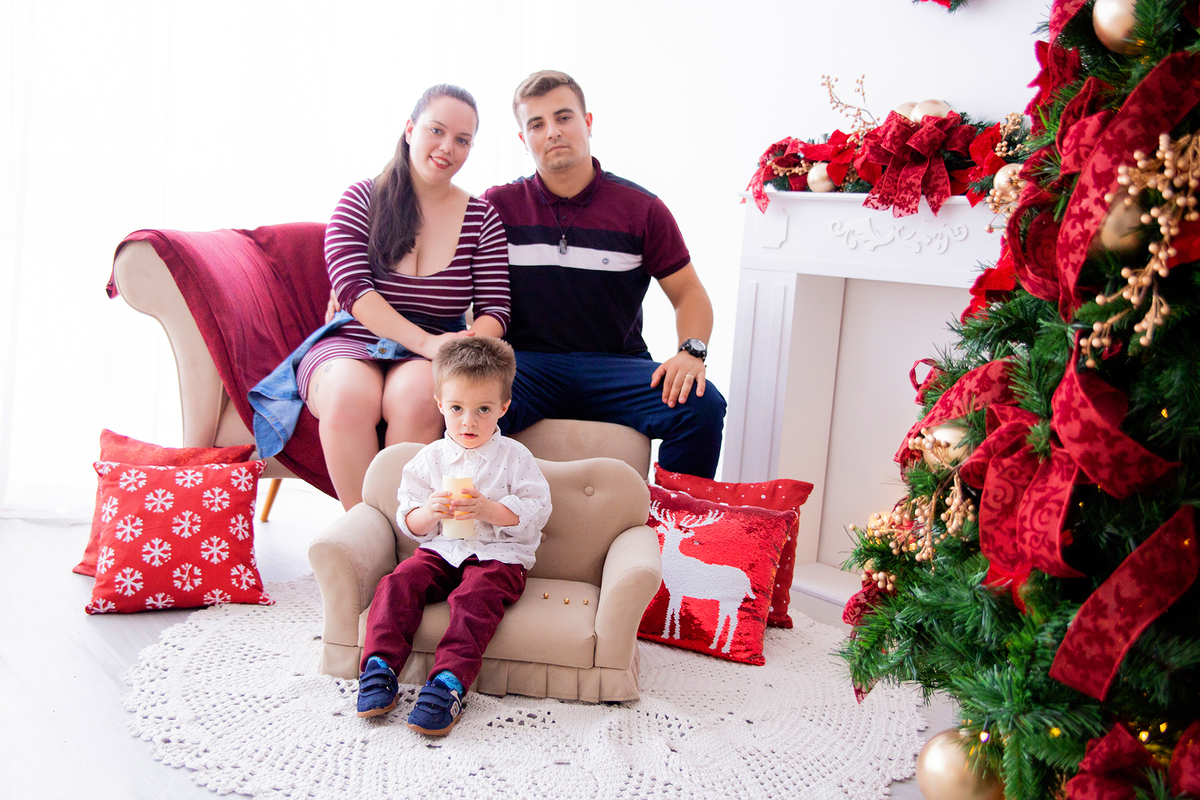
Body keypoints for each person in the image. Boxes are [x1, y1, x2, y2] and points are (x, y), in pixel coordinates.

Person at [249, 84, 511, 510]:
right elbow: (353, 290)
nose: (447, 148)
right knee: (347, 397)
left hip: (434, 349)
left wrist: (465, 344)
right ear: (410, 129)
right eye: (436, 131)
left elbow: (496, 308)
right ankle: (362, 533)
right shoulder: (360, 199)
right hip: (354, 339)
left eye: (462, 140)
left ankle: (399, 534)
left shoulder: (482, 217)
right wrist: (427, 343)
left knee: (415, 400)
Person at [481, 70, 726, 479]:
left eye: (564, 117)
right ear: (524, 140)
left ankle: (673, 530)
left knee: (702, 407)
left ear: (587, 123)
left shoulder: (641, 208)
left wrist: (691, 352)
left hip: (616, 366)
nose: (553, 132)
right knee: (469, 399)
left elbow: (689, 293)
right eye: (537, 124)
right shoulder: (498, 205)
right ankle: (481, 529)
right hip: (527, 367)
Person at [355, 336, 552, 735]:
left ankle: (448, 683)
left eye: (483, 410)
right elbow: (407, 519)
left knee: (474, 598)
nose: (469, 422)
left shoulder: (515, 457)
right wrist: (429, 513)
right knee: (398, 582)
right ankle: (379, 667)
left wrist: (490, 510)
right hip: (444, 548)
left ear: (503, 408)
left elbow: (536, 510)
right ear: (440, 403)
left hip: (500, 555)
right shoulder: (428, 459)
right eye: (458, 408)